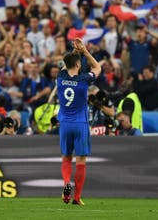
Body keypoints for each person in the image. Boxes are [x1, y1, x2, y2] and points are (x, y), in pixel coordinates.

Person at [57, 38, 101, 206]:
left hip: (65, 124)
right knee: (80, 161)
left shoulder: (60, 77)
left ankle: (66, 182)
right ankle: (76, 198)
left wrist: (75, 53)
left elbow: (65, 64)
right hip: (80, 124)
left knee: (66, 158)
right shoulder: (84, 79)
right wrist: (84, 51)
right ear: (77, 65)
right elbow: (98, 67)